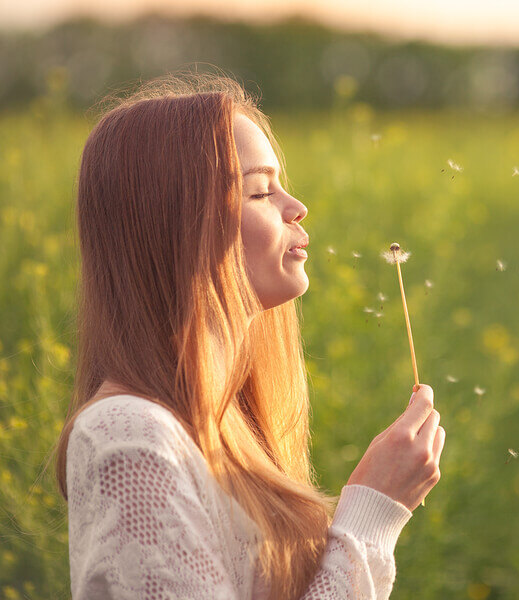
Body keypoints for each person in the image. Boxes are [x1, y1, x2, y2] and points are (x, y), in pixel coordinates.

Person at [52, 68, 445, 599]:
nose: (297, 208)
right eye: (260, 191)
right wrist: (372, 513)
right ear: (180, 225)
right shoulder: (129, 437)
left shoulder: (232, 425)